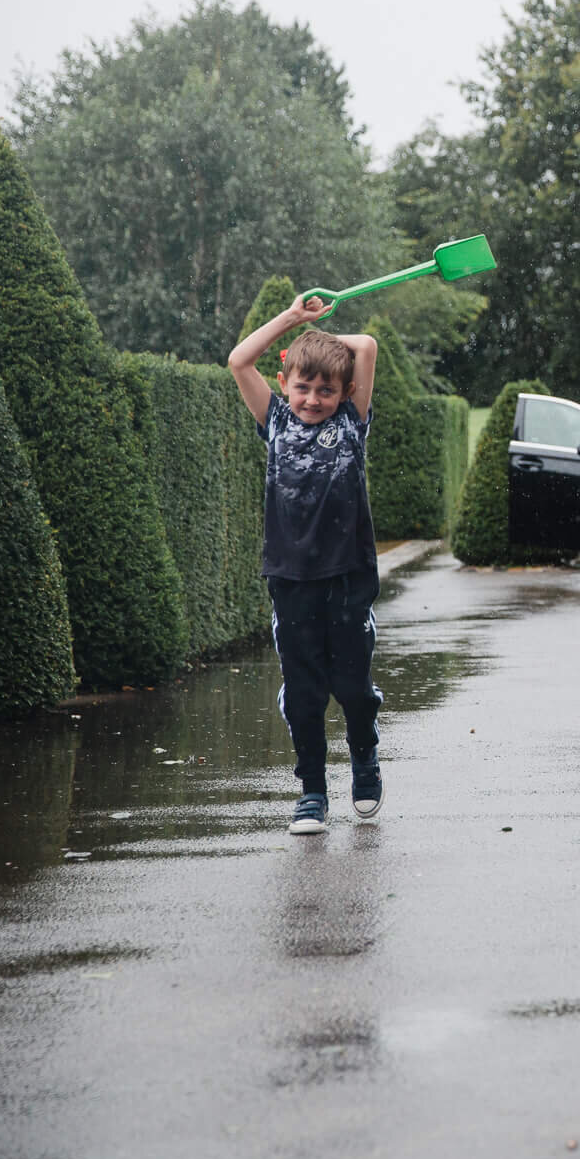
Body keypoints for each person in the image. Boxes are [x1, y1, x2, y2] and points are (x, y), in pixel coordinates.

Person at [228, 298, 383, 835]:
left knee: (353, 688)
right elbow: (238, 360)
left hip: (347, 574)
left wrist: (323, 336)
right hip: (290, 576)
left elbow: (365, 347)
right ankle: (312, 793)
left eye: (326, 390)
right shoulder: (272, 418)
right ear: (284, 382)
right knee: (303, 692)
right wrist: (295, 321)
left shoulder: (352, 423)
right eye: (302, 387)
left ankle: (365, 756)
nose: (312, 399)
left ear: (344, 394)